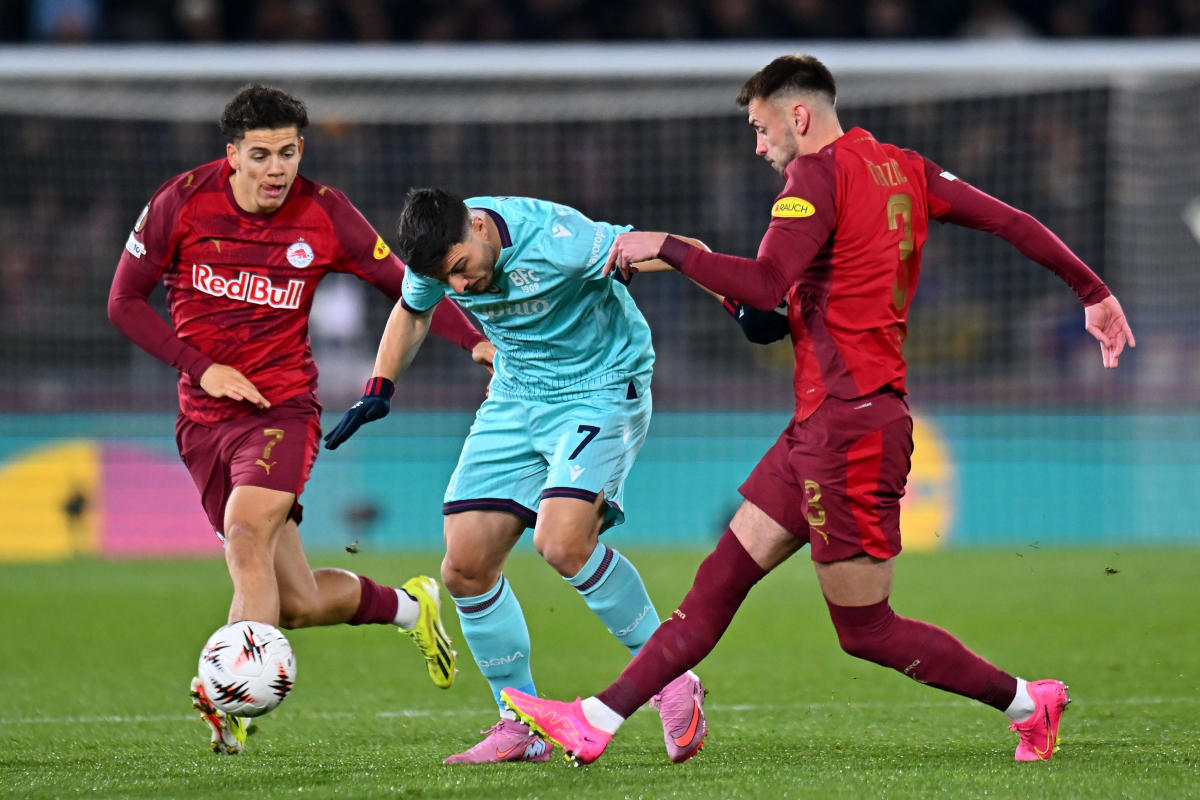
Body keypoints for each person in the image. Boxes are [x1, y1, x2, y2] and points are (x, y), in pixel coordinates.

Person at [501, 53, 1136, 764]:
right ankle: (598, 717)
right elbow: (1014, 221)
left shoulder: (815, 175)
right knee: (718, 583)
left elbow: (767, 283)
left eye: (760, 126)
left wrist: (671, 249)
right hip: (826, 421)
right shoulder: (908, 168)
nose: (759, 144)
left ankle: (1030, 702)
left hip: (851, 427)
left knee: (866, 629)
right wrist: (1093, 292)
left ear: (797, 115)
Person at [107, 85, 494, 755]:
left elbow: (411, 286)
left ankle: (232, 703)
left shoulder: (326, 214)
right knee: (297, 603)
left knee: (245, 535)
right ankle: (412, 606)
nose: (275, 169)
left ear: (301, 151)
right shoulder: (182, 202)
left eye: (287, 153)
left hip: (281, 412)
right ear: (231, 156)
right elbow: (123, 303)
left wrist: (479, 343)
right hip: (203, 421)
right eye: (260, 155)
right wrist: (200, 367)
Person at [323, 189, 710, 764]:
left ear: (479, 227)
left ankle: (673, 679)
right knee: (464, 566)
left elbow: (682, 251)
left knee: (561, 542)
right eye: (444, 278)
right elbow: (412, 309)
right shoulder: (440, 257)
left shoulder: (559, 240)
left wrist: (728, 288)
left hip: (599, 390)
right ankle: (521, 722)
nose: (458, 287)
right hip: (516, 396)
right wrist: (380, 388)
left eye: (460, 269)